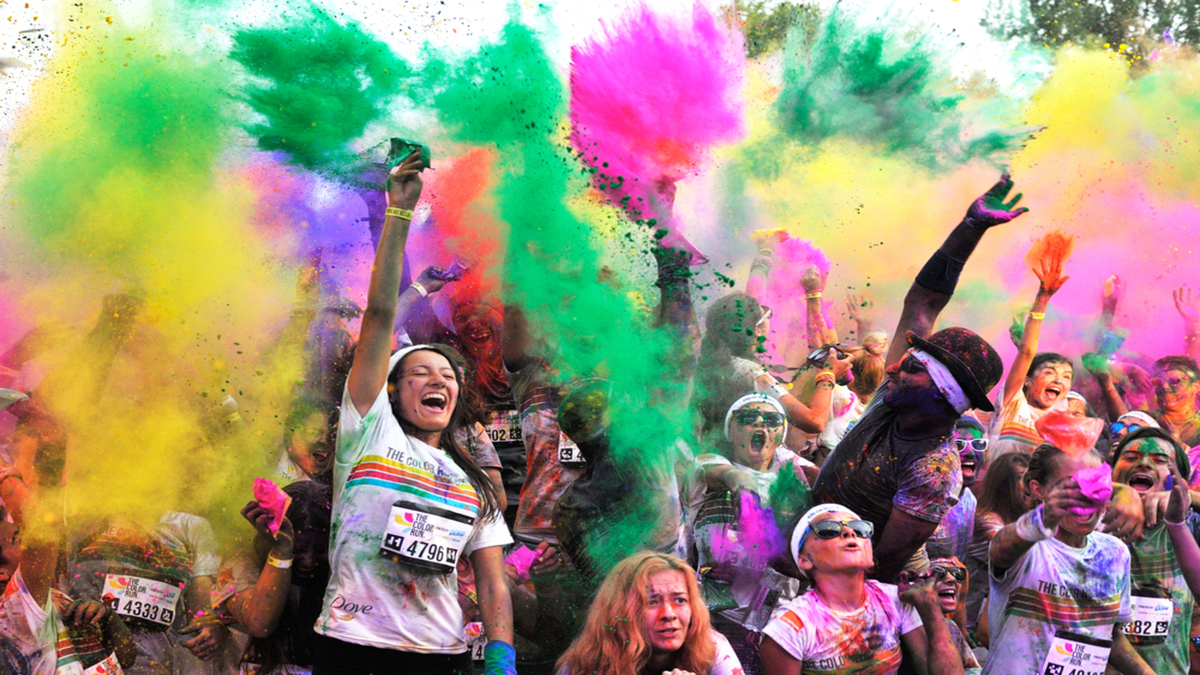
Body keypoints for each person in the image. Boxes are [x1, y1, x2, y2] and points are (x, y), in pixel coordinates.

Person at [311, 151, 514, 675]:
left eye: (449, 376)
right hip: (351, 645)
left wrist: (501, 650)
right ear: (393, 391)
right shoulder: (369, 432)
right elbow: (380, 317)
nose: (439, 380)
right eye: (422, 372)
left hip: (437, 655)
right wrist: (398, 213)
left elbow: (492, 580)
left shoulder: (471, 480)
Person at [812, 176, 1021, 582]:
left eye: (910, 369)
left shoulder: (933, 470)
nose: (891, 369)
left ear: (944, 396)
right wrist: (969, 228)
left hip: (841, 593)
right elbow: (923, 302)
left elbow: (880, 567)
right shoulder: (894, 401)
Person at [982, 443, 1153, 674]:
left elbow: (1109, 634)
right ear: (1038, 489)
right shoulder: (1028, 548)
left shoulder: (1115, 553)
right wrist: (1046, 516)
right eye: (1069, 487)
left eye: (1094, 486)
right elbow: (1001, 549)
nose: (1083, 497)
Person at [759, 504, 965, 675]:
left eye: (860, 529)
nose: (849, 532)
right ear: (804, 560)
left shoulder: (894, 599)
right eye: (828, 530)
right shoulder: (791, 627)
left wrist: (928, 605)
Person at [555, 551, 743, 675]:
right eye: (651, 602)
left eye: (680, 600)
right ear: (620, 612)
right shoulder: (583, 665)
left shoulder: (712, 649)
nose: (669, 613)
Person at [214, 480, 332, 674]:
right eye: (299, 549)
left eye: (321, 550)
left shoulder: (340, 571)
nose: (309, 561)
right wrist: (282, 550)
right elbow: (259, 623)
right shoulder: (243, 560)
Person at [1108, 427, 1200, 673]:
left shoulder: (1191, 526)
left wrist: (1187, 498)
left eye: (1160, 461)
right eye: (1130, 458)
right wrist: (1119, 492)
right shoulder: (1090, 524)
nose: (1144, 464)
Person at [989, 251, 1072, 457]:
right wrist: (1042, 298)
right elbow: (1027, 353)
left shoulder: (1063, 420)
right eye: (1050, 372)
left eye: (1066, 377)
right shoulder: (1013, 404)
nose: (1058, 380)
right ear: (1027, 381)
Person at [963, 452, 1029, 633]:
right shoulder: (988, 518)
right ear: (1003, 485)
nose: (1029, 485)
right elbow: (1006, 544)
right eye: (1021, 478)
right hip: (967, 613)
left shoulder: (1017, 516)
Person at [898, 544, 981, 675]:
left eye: (957, 573)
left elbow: (972, 669)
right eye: (938, 573)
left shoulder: (951, 627)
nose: (952, 579)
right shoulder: (897, 631)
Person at [929, 417, 985, 563]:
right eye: (959, 445)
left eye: (978, 444)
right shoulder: (925, 500)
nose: (971, 452)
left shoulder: (969, 499)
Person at [1151, 356, 1200, 447]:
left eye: (1174, 381)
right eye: (1158, 382)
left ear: (1196, 386)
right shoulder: (1146, 420)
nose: (1165, 386)